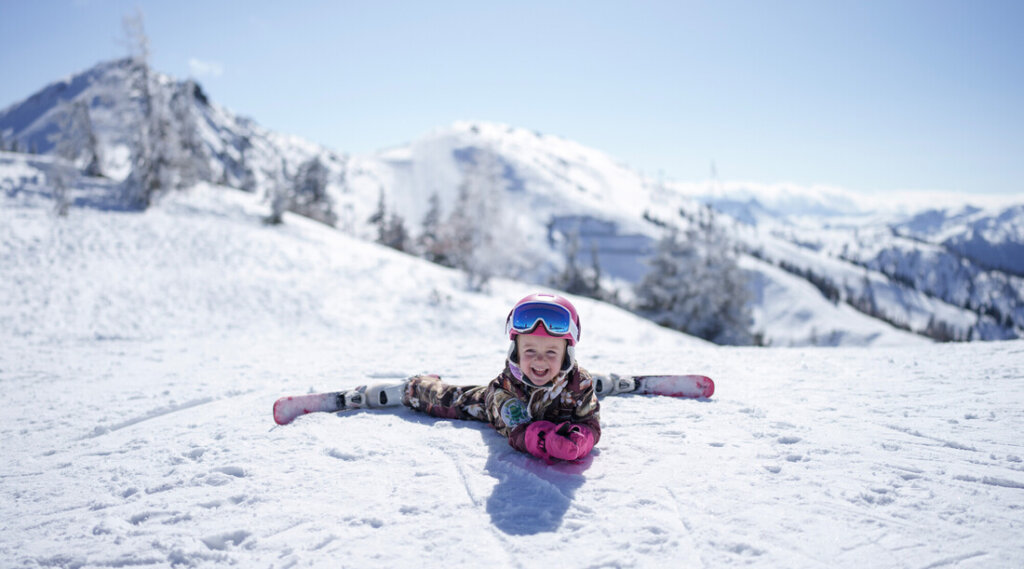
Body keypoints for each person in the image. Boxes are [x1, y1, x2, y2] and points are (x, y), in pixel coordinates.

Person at [401, 293, 600, 463]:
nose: (540, 361)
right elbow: (518, 432)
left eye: (551, 353)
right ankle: (416, 387)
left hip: (553, 400)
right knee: (452, 400)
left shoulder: (579, 383)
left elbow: (590, 423)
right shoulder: (505, 387)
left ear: (567, 356)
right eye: (530, 351)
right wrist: (544, 441)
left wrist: (581, 440)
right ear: (516, 352)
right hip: (492, 407)